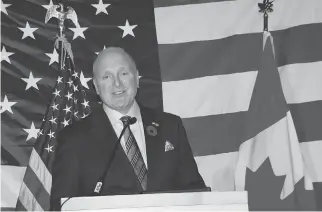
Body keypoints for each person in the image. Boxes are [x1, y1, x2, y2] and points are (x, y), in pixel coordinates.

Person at [50, 47, 206, 210]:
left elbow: (194, 191)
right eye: (107, 76)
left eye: (123, 73)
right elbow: (62, 206)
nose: (117, 83)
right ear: (96, 86)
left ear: (137, 79)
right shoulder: (74, 139)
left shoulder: (171, 126)